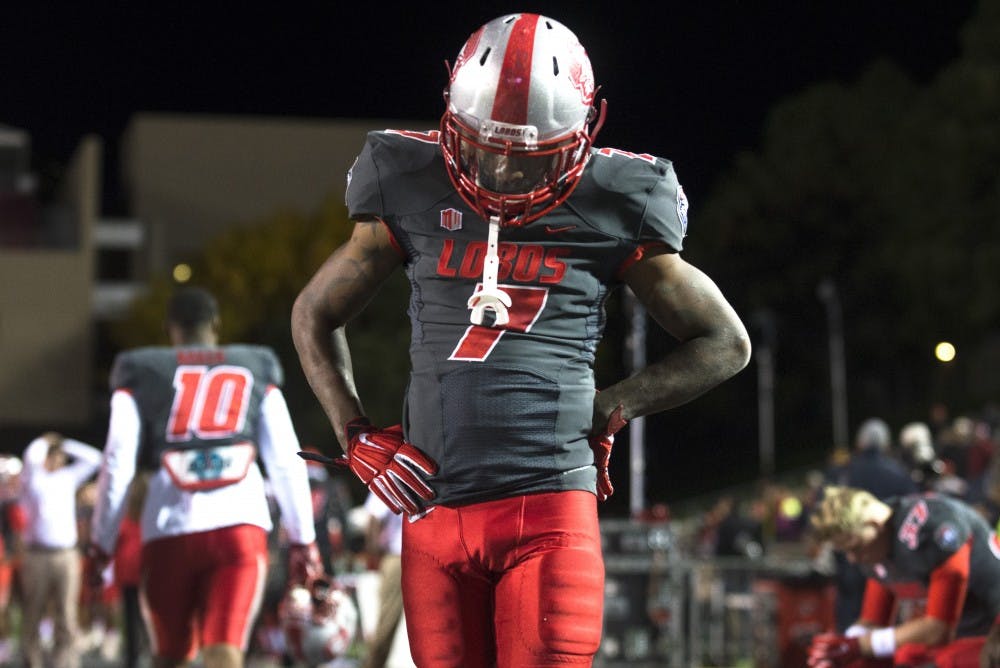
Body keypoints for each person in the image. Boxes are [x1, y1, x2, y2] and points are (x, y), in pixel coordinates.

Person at [291, 12, 751, 667]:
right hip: (432, 511)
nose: (504, 170)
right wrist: (354, 433)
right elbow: (313, 313)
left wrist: (613, 404)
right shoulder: (408, 177)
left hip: (549, 510)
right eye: (486, 148)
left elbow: (725, 342)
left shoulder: (617, 198)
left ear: (583, 133)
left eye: (530, 156)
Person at [89, 286, 322, 668]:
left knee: (171, 656)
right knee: (224, 650)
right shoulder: (255, 367)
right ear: (215, 324)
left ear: (169, 328)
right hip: (239, 526)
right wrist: (303, 539)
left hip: (169, 526)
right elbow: (285, 459)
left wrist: (101, 543)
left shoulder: (140, 371)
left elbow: (116, 464)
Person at [807, 486, 1000, 668]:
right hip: (970, 629)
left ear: (874, 524)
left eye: (855, 547)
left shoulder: (926, 529)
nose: (853, 558)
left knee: (943, 660)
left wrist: (856, 645)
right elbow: (872, 621)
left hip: (993, 629)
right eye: (846, 551)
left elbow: (938, 630)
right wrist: (839, 646)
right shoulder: (878, 544)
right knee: (883, 658)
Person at [825, 418, 919, 632]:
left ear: (860, 443)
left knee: (851, 620)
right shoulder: (898, 472)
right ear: (885, 444)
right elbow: (913, 510)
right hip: (888, 558)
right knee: (886, 618)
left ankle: (848, 646)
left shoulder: (843, 473)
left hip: (849, 561)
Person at [19, 432, 102, 668]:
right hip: (38, 554)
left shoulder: (68, 478)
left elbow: (95, 458)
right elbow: (30, 457)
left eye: (59, 457)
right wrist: (44, 441)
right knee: (33, 611)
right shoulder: (34, 479)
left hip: (66, 554)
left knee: (66, 612)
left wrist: (66, 444)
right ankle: (32, 662)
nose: (57, 460)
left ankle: (64, 662)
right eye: (52, 456)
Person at [362, 491, 411, 668]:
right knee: (387, 623)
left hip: (423, 556)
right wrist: (374, 552)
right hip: (398, 557)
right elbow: (374, 516)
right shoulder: (391, 477)